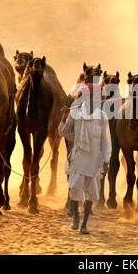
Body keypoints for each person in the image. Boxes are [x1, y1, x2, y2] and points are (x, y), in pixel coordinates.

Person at [58, 83, 112, 234]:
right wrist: (64, 118)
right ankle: (75, 217)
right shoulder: (74, 113)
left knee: (91, 193)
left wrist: (106, 160)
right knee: (75, 188)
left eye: (96, 97)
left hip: (95, 160)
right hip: (79, 157)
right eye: (90, 97)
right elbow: (62, 133)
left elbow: (106, 141)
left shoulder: (102, 117)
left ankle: (85, 224)